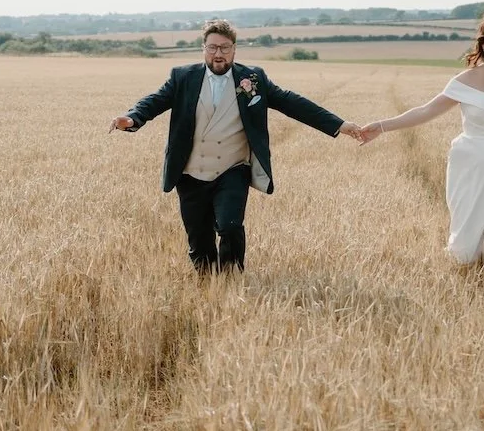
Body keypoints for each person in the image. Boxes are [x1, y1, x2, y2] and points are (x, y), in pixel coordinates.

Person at [110, 19, 362, 275]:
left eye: (224, 47)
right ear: (203, 49)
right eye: (212, 48)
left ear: (234, 49)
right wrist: (132, 118)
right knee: (199, 242)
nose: (218, 54)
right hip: (190, 173)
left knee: (230, 226)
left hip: (232, 169)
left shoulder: (253, 79)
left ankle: (231, 280)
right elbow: (154, 102)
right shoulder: (182, 77)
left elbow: (292, 103)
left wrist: (339, 125)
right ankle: (207, 285)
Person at [359, 11, 484, 305]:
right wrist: (380, 126)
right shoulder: (466, 81)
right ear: (483, 44)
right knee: (479, 246)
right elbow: (426, 111)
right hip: (475, 175)